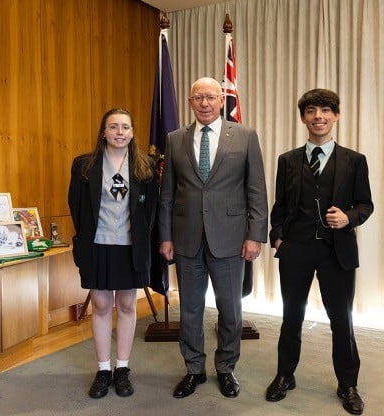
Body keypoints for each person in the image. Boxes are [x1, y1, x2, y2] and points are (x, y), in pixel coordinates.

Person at [265, 89, 373, 415]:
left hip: (336, 252)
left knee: (341, 320)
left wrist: (349, 218)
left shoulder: (355, 161)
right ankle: (285, 374)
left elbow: (366, 205)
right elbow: (279, 207)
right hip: (295, 250)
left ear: (336, 115)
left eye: (326, 110)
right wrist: (278, 237)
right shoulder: (287, 160)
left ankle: (348, 383)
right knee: (291, 317)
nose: (318, 116)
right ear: (303, 118)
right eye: (311, 111)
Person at [159, 77, 268, 399]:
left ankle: (226, 368)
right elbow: (167, 194)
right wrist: (165, 236)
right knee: (190, 310)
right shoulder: (175, 139)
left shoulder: (245, 136)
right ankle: (194, 369)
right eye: (198, 98)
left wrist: (255, 236)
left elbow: (256, 190)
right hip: (187, 239)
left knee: (230, 309)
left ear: (222, 100)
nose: (204, 103)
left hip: (231, 239)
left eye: (210, 97)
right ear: (190, 103)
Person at [68, 108, 158, 399]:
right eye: (113, 127)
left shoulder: (145, 166)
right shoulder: (84, 165)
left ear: (132, 133)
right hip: (98, 246)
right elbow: (76, 205)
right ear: (103, 132)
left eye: (125, 127)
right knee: (103, 306)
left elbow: (150, 210)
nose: (120, 132)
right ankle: (103, 369)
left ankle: (122, 368)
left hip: (131, 247)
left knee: (129, 306)